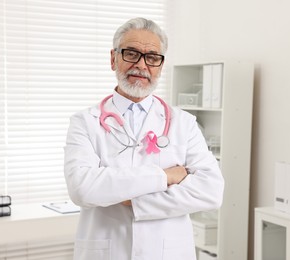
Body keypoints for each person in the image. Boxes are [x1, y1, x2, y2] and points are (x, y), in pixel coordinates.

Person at [64, 17, 224, 260]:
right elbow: (83, 189)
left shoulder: (184, 123)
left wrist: (134, 201)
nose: (141, 65)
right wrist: (165, 176)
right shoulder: (84, 122)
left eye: (152, 57)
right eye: (131, 53)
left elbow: (211, 191)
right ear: (113, 58)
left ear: (160, 65)